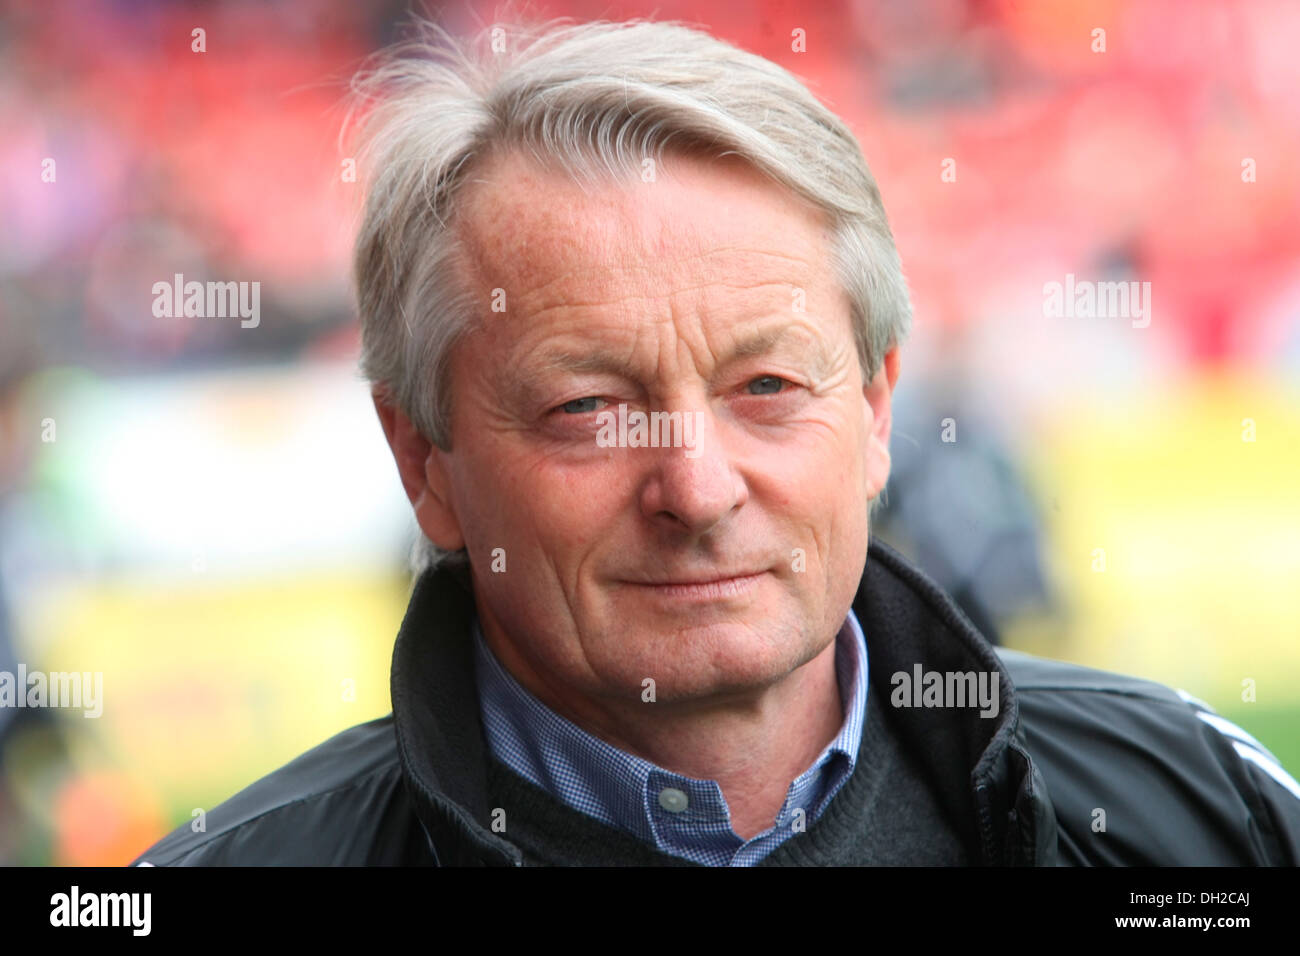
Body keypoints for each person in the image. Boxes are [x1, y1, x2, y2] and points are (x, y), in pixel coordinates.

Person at [132, 17, 1300, 866]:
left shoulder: (1201, 811)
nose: (695, 487)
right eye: (588, 408)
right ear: (422, 461)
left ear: (877, 409)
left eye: (769, 384)